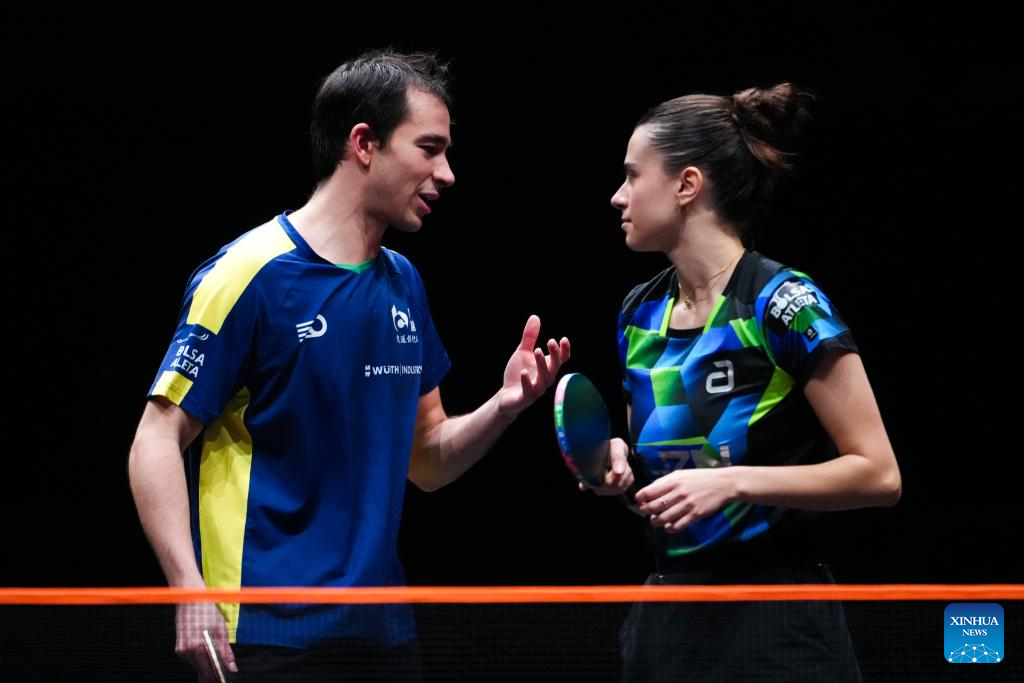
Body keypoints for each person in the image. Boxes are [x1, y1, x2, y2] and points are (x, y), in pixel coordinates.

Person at [127, 49, 569, 682]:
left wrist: (504, 406)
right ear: (364, 143)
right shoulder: (250, 274)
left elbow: (427, 461)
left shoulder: (403, 282)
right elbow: (155, 439)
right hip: (263, 630)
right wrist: (186, 588)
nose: (447, 174)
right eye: (429, 148)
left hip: (381, 633)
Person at [593, 83, 901, 681]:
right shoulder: (639, 314)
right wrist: (621, 471)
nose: (617, 196)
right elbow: (670, 484)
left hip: (777, 617)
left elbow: (878, 474)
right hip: (669, 620)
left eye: (632, 175)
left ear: (686, 185)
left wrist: (731, 484)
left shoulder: (784, 304)